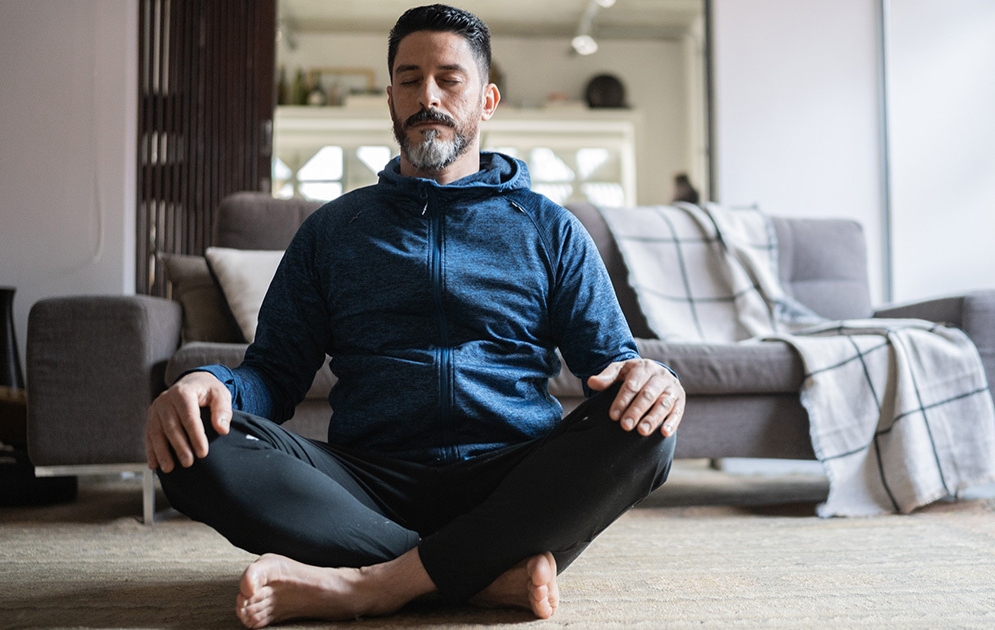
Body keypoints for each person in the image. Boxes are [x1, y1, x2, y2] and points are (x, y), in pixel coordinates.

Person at [144, 4, 684, 628]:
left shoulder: (550, 231)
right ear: (392, 98)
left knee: (650, 427)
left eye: (449, 79)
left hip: (509, 476)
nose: (427, 95)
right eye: (408, 79)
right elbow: (273, 374)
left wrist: (652, 378)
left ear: (486, 101)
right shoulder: (333, 232)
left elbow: (612, 367)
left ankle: (375, 583)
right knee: (190, 443)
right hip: (367, 482)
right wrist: (211, 384)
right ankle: (478, 576)